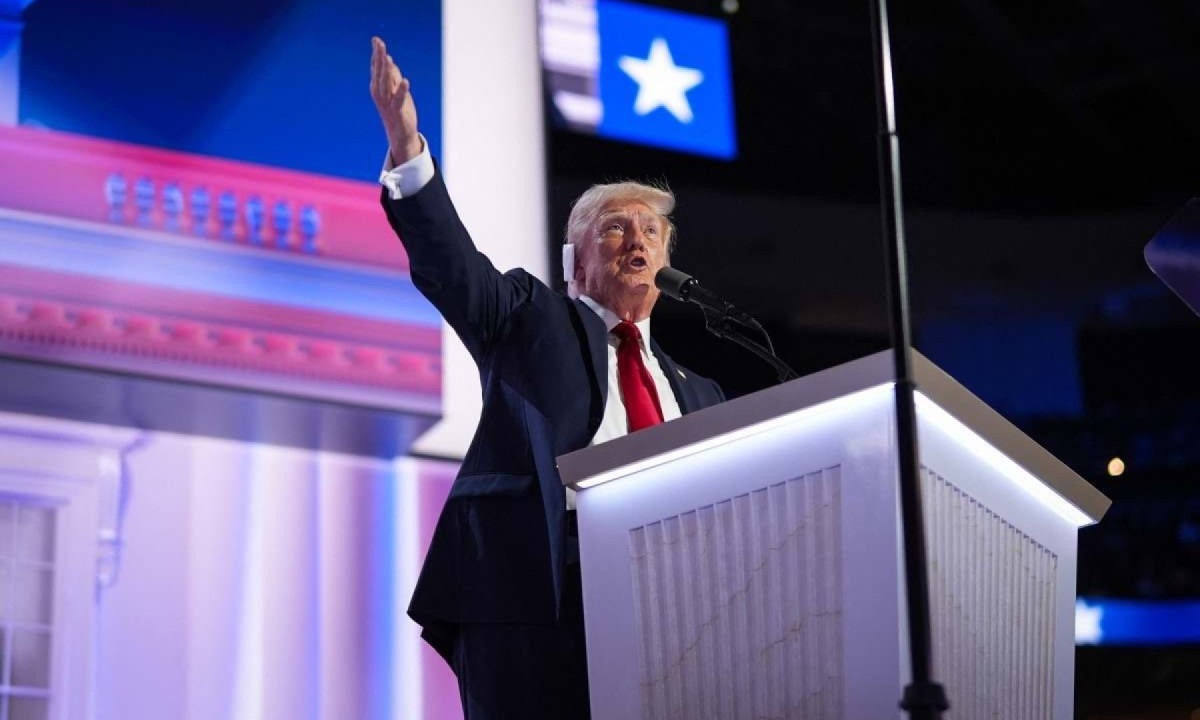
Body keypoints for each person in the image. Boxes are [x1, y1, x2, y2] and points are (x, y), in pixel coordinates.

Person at [369, 36, 725, 719]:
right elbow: (451, 265)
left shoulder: (700, 391)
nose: (638, 240)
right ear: (575, 259)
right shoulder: (531, 315)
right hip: (540, 587)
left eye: (651, 231)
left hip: (673, 604)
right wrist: (407, 146)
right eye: (616, 228)